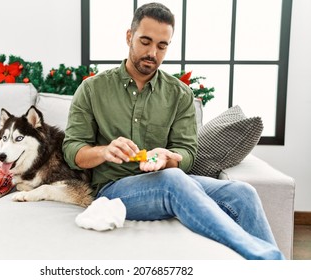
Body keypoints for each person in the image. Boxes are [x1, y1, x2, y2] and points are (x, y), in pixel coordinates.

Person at [62, 2, 284, 260]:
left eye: (162, 46)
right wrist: (105, 151)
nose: (152, 52)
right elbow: (72, 150)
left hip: (167, 180)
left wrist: (170, 158)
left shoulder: (180, 94)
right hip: (114, 189)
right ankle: (270, 261)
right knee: (173, 180)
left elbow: (187, 152)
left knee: (242, 193)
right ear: (129, 37)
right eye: (145, 41)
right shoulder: (92, 90)